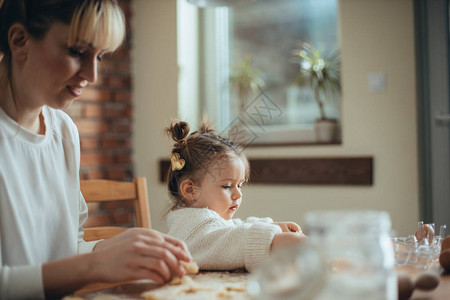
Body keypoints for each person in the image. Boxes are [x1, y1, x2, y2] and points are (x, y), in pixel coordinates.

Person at [0, 1, 191, 299]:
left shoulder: (63, 131)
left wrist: (117, 248)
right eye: (77, 52)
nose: (92, 75)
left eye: (99, 57)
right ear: (19, 41)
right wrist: (96, 264)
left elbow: (64, 251)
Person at [165, 120, 306, 272]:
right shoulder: (192, 227)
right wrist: (277, 240)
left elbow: (233, 228)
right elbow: (230, 240)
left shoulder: (205, 220)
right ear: (190, 190)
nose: (238, 194)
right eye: (227, 186)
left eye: (239, 185)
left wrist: (271, 226)